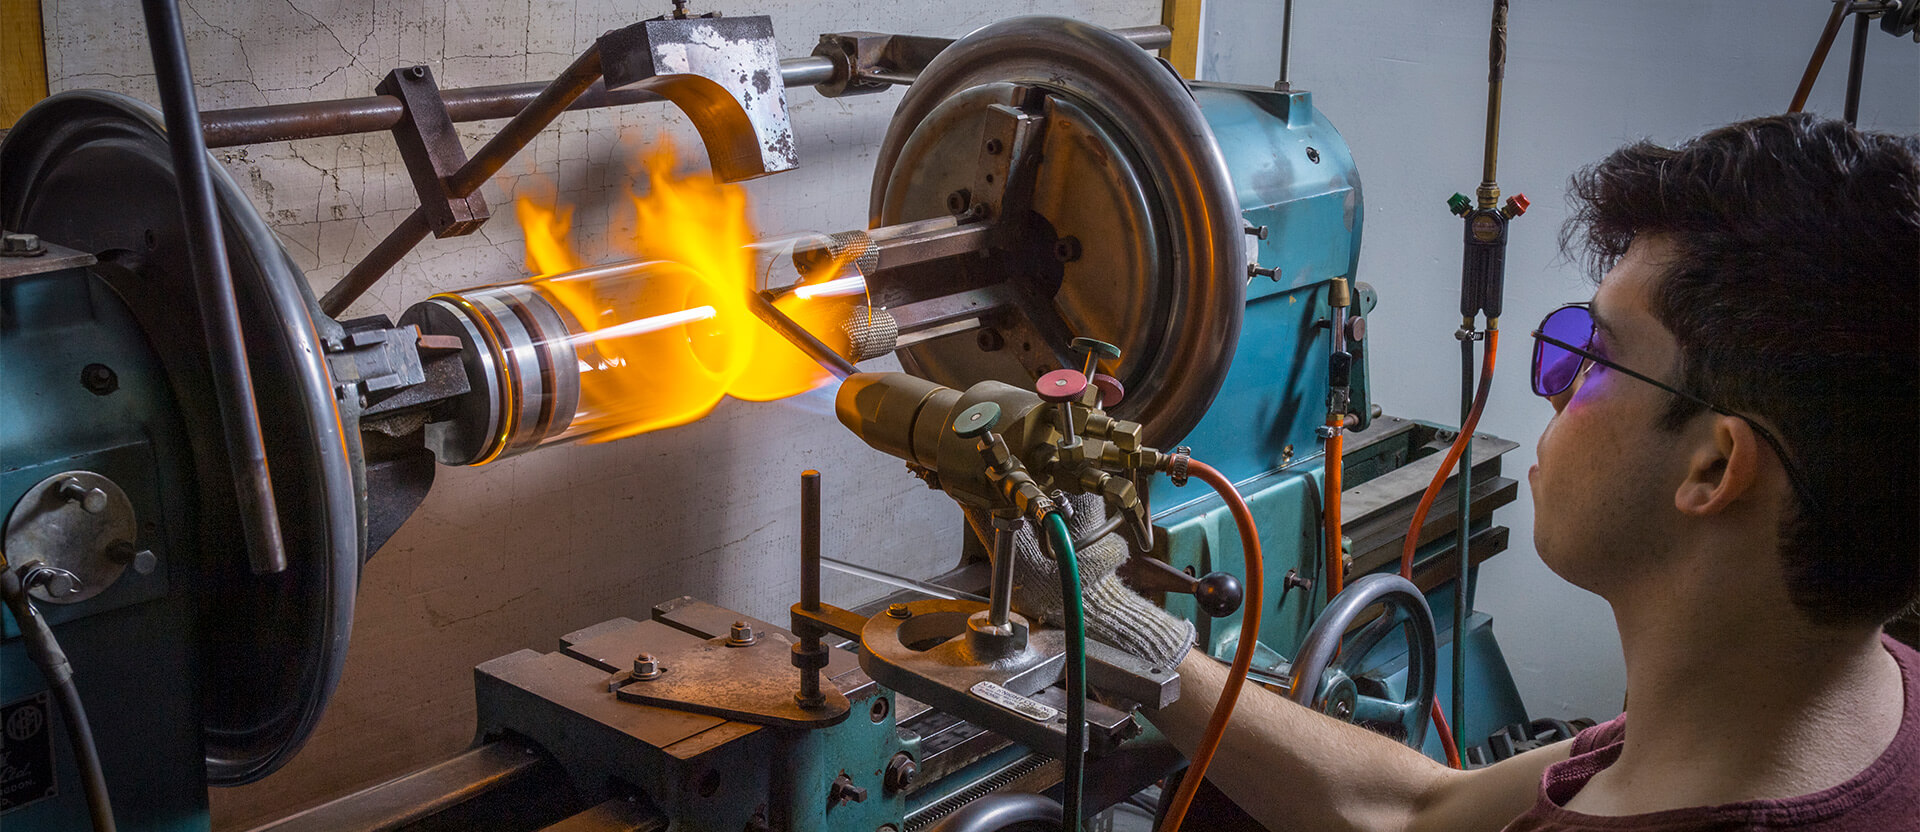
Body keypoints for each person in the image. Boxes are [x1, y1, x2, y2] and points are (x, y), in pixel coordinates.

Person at [1017, 114, 1920, 830]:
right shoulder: (1817, 701)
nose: (1558, 386)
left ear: (1715, 465)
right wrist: (1130, 634)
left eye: (1592, 356)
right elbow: (1419, 810)